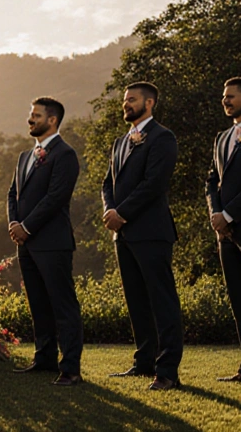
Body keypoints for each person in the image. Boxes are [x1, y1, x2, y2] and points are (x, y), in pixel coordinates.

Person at [102, 82, 183, 391]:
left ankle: (168, 372)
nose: (126, 104)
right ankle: (143, 362)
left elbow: (155, 183)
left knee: (162, 302)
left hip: (151, 231)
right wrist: (110, 209)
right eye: (125, 100)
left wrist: (122, 212)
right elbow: (107, 183)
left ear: (149, 103)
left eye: (132, 100)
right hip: (122, 234)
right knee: (136, 301)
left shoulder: (163, 138)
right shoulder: (120, 142)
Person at [6, 97, 83, 386]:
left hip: (52, 242)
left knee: (63, 305)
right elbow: (12, 194)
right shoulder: (25, 156)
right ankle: (44, 359)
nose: (30, 120)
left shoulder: (65, 154)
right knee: (38, 303)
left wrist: (26, 226)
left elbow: (56, 198)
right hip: (25, 243)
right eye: (31, 115)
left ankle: (71, 368)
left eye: (36, 116)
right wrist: (14, 224)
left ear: (52, 120)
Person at [206, 77, 241, 390]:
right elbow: (211, 180)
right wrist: (216, 213)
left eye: (231, 96)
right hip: (225, 234)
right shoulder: (222, 137)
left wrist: (229, 214)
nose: (225, 101)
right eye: (224, 96)